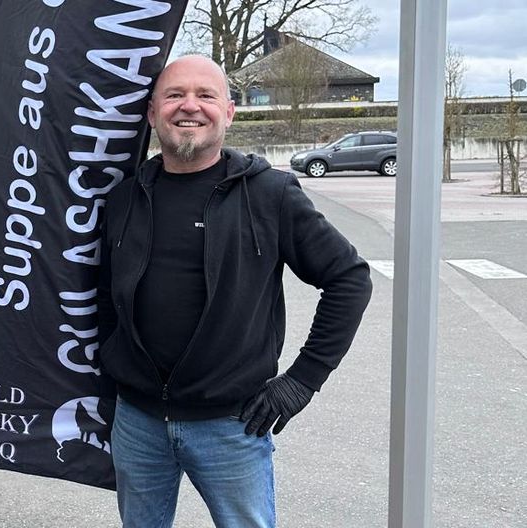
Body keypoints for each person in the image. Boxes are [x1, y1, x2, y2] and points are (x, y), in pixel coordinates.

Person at [98, 55, 373, 527]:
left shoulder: (270, 194)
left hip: (232, 424)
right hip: (138, 421)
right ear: (152, 112)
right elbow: (105, 296)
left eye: (205, 95)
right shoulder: (125, 198)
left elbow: (348, 278)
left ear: (228, 112)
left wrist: (302, 381)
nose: (189, 106)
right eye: (174, 95)